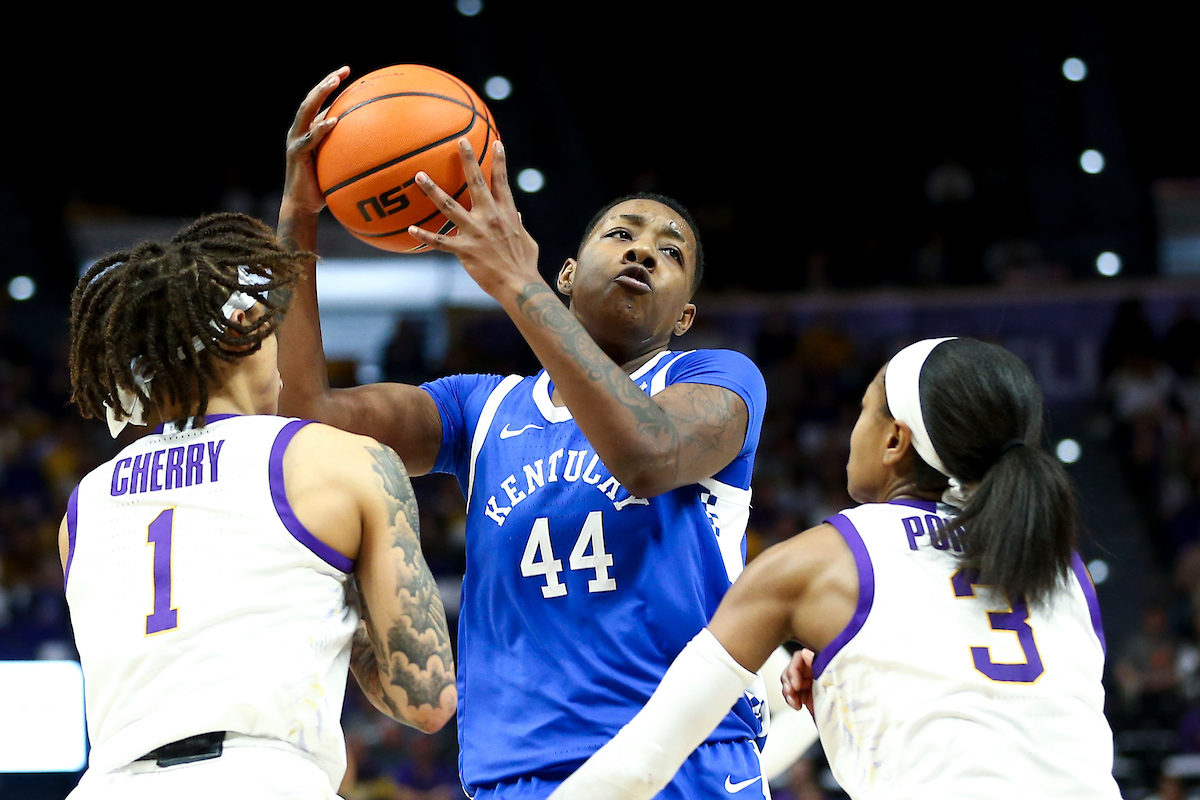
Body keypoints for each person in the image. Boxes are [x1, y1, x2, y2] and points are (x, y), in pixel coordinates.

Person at [276, 68, 773, 798]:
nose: (642, 251)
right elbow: (308, 418)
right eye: (621, 234)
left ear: (683, 319)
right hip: (519, 776)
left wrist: (517, 285)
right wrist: (299, 215)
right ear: (569, 275)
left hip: (681, 763)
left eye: (670, 253)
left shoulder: (715, 380)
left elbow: (646, 456)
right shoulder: (480, 409)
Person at [547, 336, 1121, 799]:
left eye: (866, 410)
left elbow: (641, 766)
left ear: (895, 440)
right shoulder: (1058, 562)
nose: (856, 428)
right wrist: (848, 679)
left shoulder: (817, 562)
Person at [60, 212, 456, 799]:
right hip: (260, 779)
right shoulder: (341, 460)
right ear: (245, 323)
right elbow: (425, 700)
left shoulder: (83, 503)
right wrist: (342, 601)